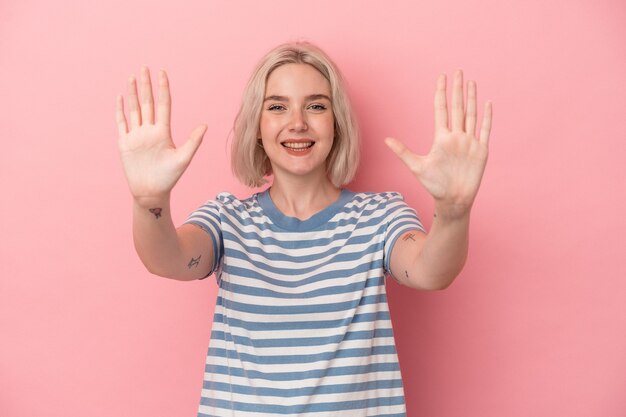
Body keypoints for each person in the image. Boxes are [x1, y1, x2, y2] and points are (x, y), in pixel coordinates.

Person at [116, 41, 492, 417]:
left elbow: (429, 271)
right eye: (277, 106)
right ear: (258, 127)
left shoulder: (380, 216)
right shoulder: (228, 219)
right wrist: (150, 200)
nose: (297, 122)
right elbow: (169, 260)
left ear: (336, 123)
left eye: (316, 105)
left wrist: (454, 212)